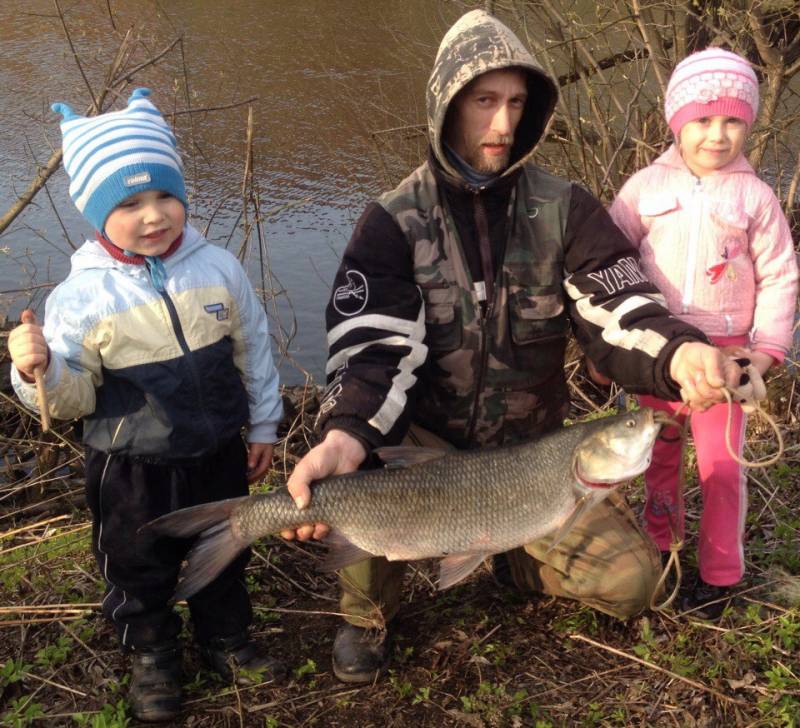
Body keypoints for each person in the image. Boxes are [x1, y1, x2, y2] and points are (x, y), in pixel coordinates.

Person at [283, 10, 744, 684]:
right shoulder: (392, 221)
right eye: (484, 101)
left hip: (533, 458)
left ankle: (511, 554)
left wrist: (682, 356)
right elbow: (372, 350)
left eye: (517, 104)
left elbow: (620, 309)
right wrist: (346, 432)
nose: (502, 125)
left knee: (634, 580)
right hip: (424, 455)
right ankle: (368, 615)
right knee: (355, 491)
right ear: (446, 105)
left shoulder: (566, 209)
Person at [7, 89, 284, 722]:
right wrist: (35, 369)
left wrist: (264, 422)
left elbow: (255, 348)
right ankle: (153, 654)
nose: (153, 215)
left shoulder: (217, 266)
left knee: (228, 547)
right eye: (129, 203)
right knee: (137, 562)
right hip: (129, 465)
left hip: (217, 450)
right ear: (96, 213)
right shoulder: (79, 298)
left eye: (164, 195)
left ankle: (226, 638)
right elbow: (71, 401)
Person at [608, 48, 799, 620]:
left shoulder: (755, 198)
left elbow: (782, 275)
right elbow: (610, 267)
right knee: (657, 458)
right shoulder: (642, 188)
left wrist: (765, 354)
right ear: (676, 120)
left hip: (726, 359)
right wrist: (610, 349)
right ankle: (662, 554)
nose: (717, 135)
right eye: (702, 120)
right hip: (655, 356)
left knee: (722, 469)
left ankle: (719, 575)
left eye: (733, 120)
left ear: (749, 122)